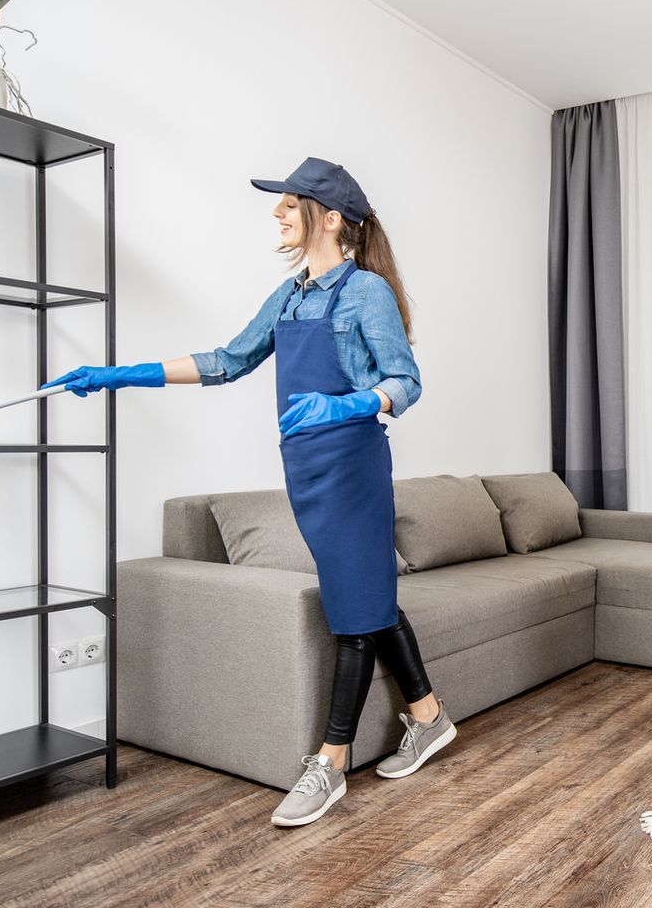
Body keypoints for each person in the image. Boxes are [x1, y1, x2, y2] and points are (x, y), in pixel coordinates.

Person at [44, 157, 455, 828]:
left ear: (328, 217)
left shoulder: (366, 294)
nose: (277, 214)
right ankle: (429, 719)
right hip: (306, 469)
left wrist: (349, 406)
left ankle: (329, 764)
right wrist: (122, 374)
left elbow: (405, 382)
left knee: (352, 616)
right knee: (368, 600)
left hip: (352, 466)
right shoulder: (291, 295)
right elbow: (227, 361)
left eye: (288, 205)